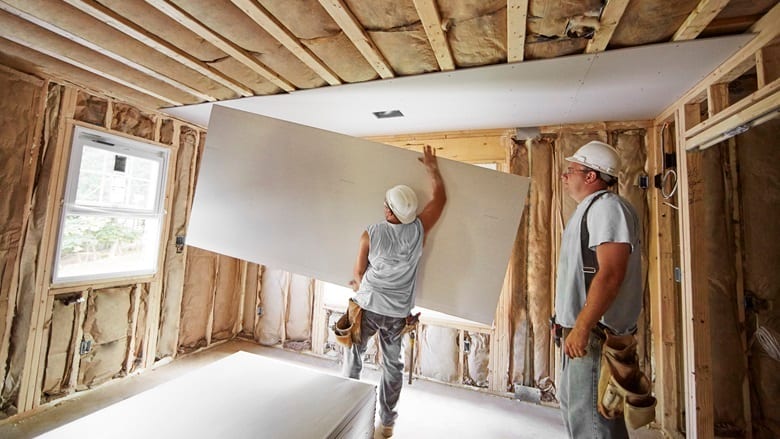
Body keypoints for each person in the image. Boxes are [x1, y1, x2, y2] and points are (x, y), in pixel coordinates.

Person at [343, 145, 446, 438]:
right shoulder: (418, 230)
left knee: (354, 356)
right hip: (397, 315)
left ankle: (349, 411)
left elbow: (358, 274)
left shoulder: (371, 233)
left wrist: (358, 285)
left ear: (388, 210)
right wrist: (432, 169)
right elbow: (440, 199)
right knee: (392, 367)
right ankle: (386, 425)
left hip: (368, 304)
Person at [554, 140, 642, 438]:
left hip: (595, 334)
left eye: (572, 170)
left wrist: (582, 327)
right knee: (588, 412)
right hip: (585, 330)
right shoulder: (590, 209)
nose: (565, 176)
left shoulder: (608, 209)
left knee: (590, 422)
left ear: (591, 176)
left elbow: (611, 274)